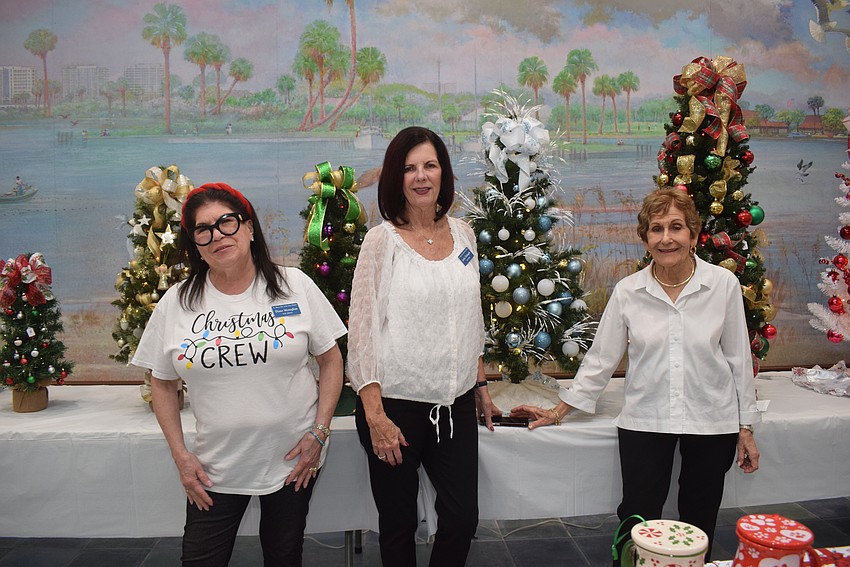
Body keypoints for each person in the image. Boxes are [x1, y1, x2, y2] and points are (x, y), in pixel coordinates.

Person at [511, 188, 761, 564]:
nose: (666, 238)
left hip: (713, 419)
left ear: (693, 235)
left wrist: (746, 427)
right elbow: (600, 360)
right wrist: (559, 411)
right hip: (647, 418)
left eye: (676, 227)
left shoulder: (721, 285)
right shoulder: (629, 291)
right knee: (636, 517)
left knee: (699, 516)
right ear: (645, 239)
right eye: (656, 229)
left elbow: (738, 358)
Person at [132, 182, 346, 567]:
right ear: (195, 243)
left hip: (292, 460)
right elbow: (162, 383)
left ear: (248, 227)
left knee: (284, 555)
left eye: (227, 223)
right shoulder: (176, 303)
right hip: (215, 469)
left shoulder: (293, 286)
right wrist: (181, 456)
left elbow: (331, 360)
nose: (218, 236)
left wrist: (320, 431)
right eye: (204, 230)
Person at [347, 126, 499, 567]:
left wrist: (480, 383)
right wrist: (375, 416)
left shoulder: (465, 235)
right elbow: (362, 331)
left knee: (462, 519)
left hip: (454, 406)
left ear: (443, 173)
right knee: (397, 527)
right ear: (396, 178)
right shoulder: (382, 241)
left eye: (429, 165)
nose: (420, 176)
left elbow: (470, 319)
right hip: (394, 408)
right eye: (409, 168)